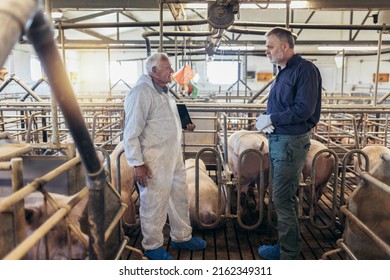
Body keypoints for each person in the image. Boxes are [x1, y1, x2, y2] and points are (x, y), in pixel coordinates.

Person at [123, 52, 206, 260]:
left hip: (172, 155)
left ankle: (182, 236)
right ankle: (152, 245)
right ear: (154, 71)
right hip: (153, 158)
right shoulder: (141, 92)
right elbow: (131, 131)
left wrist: (184, 125)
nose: (171, 71)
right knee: (154, 201)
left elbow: (164, 120)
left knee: (179, 195)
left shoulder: (164, 91)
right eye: (168, 67)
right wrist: (137, 163)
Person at [255, 27, 322, 260]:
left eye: (270, 46)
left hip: (290, 143)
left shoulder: (305, 71)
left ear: (285, 46)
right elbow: (282, 105)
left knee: (282, 198)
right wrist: (266, 119)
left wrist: (272, 118)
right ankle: (285, 245)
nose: (267, 51)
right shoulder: (282, 72)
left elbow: (304, 109)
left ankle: (289, 254)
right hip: (279, 140)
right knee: (283, 196)